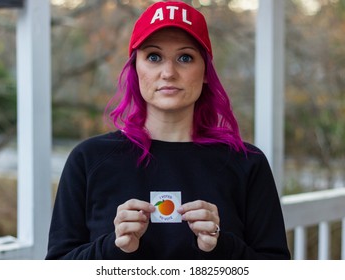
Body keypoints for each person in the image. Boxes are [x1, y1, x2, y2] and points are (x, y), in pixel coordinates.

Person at [46, 1, 290, 260]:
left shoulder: (246, 163)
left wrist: (221, 246)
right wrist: (114, 248)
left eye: (185, 57)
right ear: (135, 69)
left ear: (205, 70)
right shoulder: (88, 159)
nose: (168, 72)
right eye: (153, 57)